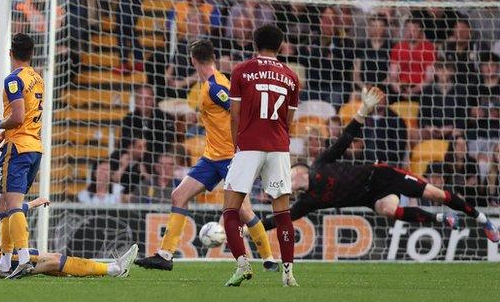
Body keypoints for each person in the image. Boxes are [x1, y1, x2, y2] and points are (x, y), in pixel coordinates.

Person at [265, 87, 500, 243]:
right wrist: (250, 227)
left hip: (381, 176)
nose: (289, 180)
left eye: (289, 174)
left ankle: (482, 219)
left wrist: (363, 109)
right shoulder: (308, 201)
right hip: (371, 198)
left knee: (436, 194)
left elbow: (345, 138)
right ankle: (440, 220)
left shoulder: (320, 163)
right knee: (390, 210)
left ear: (298, 170)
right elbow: (281, 219)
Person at [135, 39, 279, 272]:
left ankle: (270, 258)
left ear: (193, 60)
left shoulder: (215, 87)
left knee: (243, 211)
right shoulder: (209, 83)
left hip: (231, 158)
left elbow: (237, 112)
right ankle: (165, 255)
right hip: (211, 157)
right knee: (178, 195)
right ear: (212, 57)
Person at [222, 25, 300, 287]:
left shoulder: (241, 70)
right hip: (278, 147)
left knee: (231, 208)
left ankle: (243, 264)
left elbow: (234, 114)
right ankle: (288, 273)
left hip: (249, 145)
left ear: (254, 43)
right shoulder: (291, 76)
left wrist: (237, 145)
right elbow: (288, 119)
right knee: (282, 211)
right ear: (280, 46)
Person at [0, 181, 138, 278]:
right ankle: (113, 269)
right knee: (54, 258)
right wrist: (35, 203)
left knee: (45, 264)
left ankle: (82, 272)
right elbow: (1, 213)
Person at [0, 33, 44, 279]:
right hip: (33, 147)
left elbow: (18, 116)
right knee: (5, 204)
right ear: (31, 53)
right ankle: (3, 264)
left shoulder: (13, 79)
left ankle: (22, 259)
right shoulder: (37, 78)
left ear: (11, 53)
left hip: (18, 148)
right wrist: (5, 133)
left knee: (11, 205)